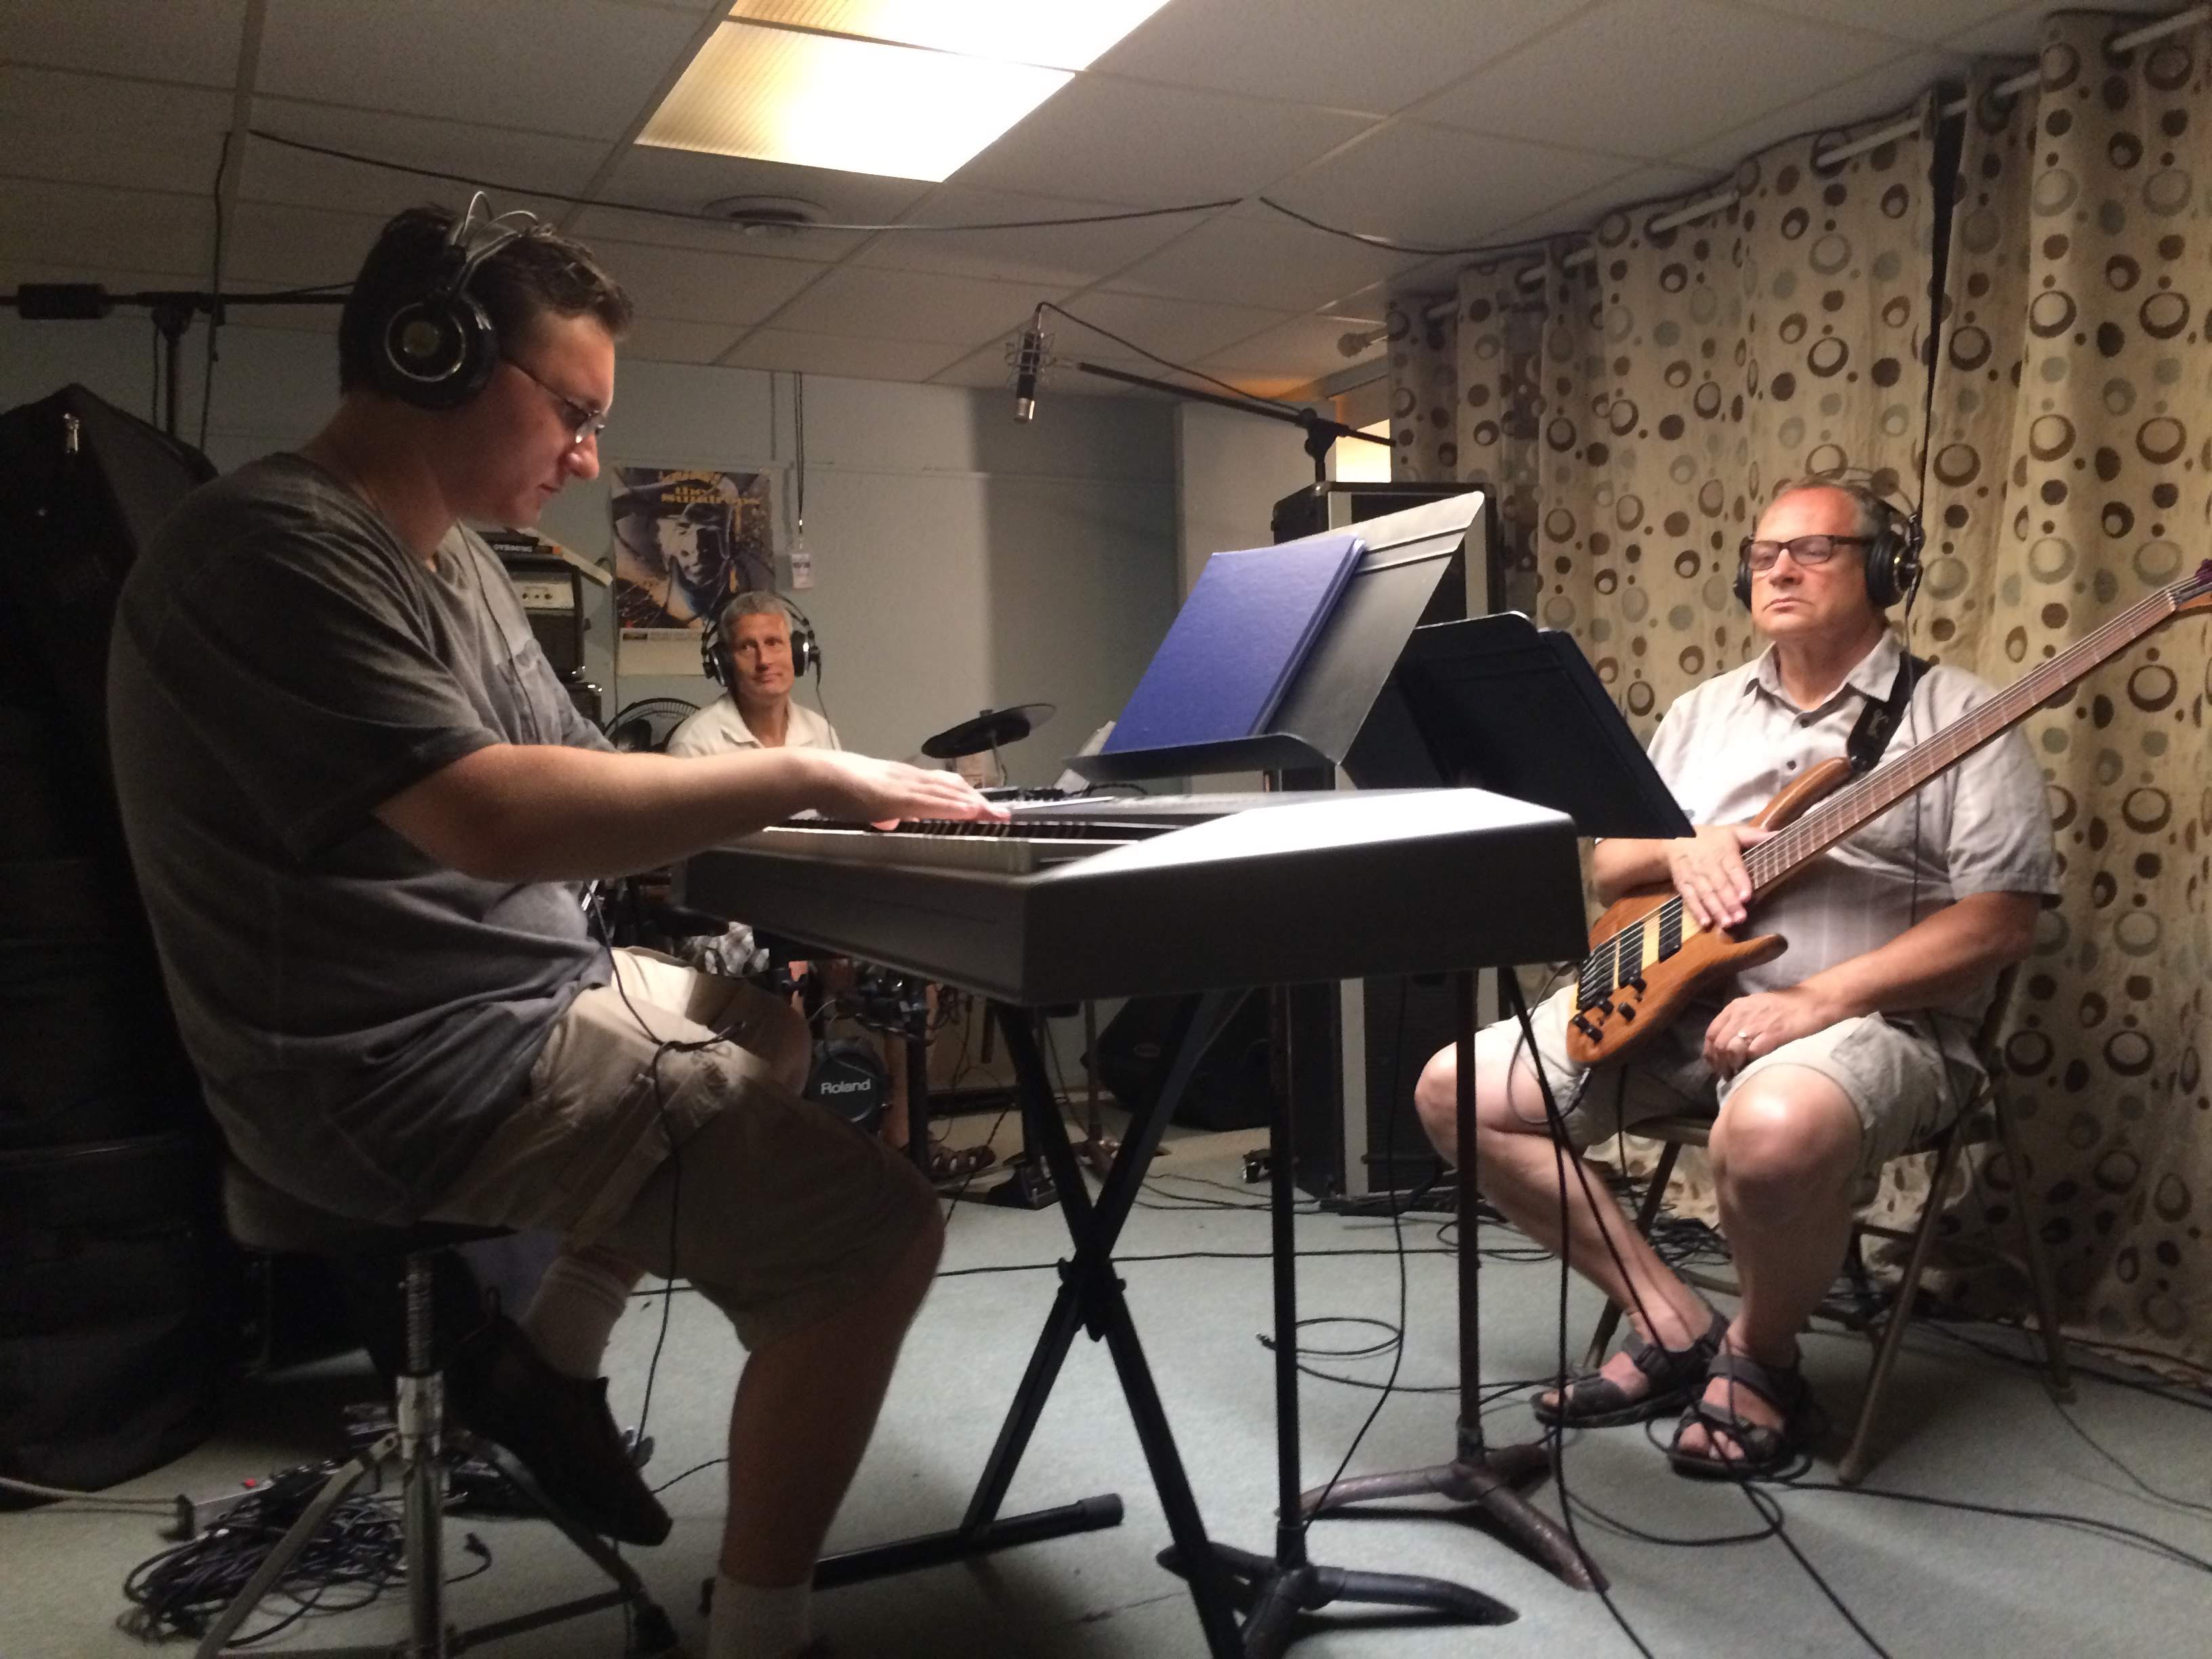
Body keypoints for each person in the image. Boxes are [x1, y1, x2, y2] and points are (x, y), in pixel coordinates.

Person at [107, 201, 1002, 1659]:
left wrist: (843, 811)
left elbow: (582, 770)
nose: (587, 457)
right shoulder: (269, 549)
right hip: (390, 1072)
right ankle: (761, 1637)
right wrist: (805, 778)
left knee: (767, 1026)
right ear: (439, 356)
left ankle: (544, 1360)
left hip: (502, 1003)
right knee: (877, 1237)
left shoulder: (453, 554)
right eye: (575, 413)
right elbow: (492, 817)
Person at [1413, 477, 2056, 1477]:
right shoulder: (1702, 711)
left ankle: (1762, 1360)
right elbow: (1611, 865)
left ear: (1888, 570)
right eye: (1763, 555)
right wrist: (1684, 849)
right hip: (1671, 1001)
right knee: (1454, 1090)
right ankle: (1669, 1324)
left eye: (1815, 549)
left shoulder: (1962, 715)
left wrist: (1820, 999)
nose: (1780, 570)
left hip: (1873, 1024)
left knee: (1769, 1130)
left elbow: (2001, 921)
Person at [666, 592, 838, 757]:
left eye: (773, 643)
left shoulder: (821, 733)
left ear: (797, 653)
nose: (764, 661)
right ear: (725, 662)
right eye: (747, 647)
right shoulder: (694, 743)